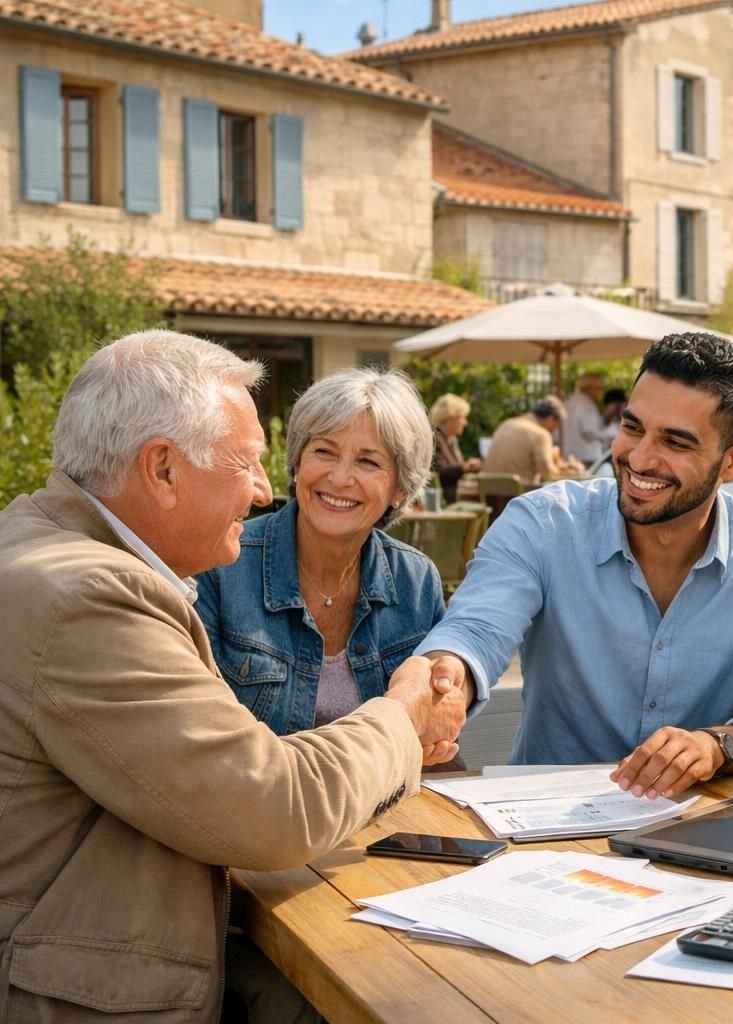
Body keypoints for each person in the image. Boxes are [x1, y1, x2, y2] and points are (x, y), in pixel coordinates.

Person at [0, 330, 466, 1020]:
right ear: (162, 469)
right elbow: (277, 805)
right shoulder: (92, 597)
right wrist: (402, 711)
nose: (262, 489)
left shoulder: (42, 542)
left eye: (369, 461)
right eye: (247, 461)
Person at [419, 333, 733, 800]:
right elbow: (474, 630)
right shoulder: (542, 522)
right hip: (543, 821)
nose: (638, 458)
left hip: (704, 821)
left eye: (675, 442)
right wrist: (447, 678)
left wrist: (714, 747)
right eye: (632, 428)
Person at [195, 368, 448, 735]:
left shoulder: (416, 580)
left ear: (399, 488)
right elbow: (202, 733)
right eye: (325, 451)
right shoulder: (221, 563)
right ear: (298, 462)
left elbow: (431, 727)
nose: (340, 477)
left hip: (388, 792)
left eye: (368, 461)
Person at [484, 396, 571, 486]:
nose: (555, 428)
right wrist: (569, 473)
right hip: (518, 494)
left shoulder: (506, 424)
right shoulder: (541, 435)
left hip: (487, 491)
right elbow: (549, 475)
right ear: (551, 418)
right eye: (557, 424)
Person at [428, 392, 480, 503]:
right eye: (463, 418)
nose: (465, 423)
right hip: (440, 501)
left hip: (453, 496)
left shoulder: (451, 439)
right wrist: (463, 468)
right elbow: (435, 475)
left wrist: (466, 468)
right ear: (451, 418)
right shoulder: (434, 438)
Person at [565, 371, 609, 464]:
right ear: (588, 388)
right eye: (599, 388)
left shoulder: (571, 401)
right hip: (585, 457)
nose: (601, 392)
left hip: (570, 455)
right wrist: (609, 434)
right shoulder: (586, 404)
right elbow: (589, 432)